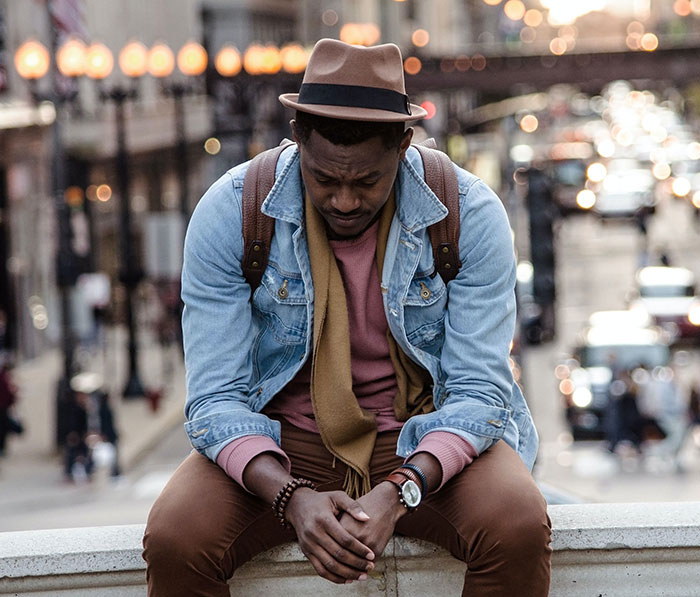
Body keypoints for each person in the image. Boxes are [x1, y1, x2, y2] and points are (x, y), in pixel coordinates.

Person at [143, 39, 551, 596]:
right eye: (324, 179)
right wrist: (290, 496)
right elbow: (214, 399)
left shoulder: (468, 213)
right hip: (281, 442)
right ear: (297, 137)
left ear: (404, 145)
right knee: (177, 538)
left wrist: (400, 489)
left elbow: (480, 393)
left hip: (423, 435)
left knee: (517, 523)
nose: (343, 201)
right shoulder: (231, 211)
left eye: (366, 182)